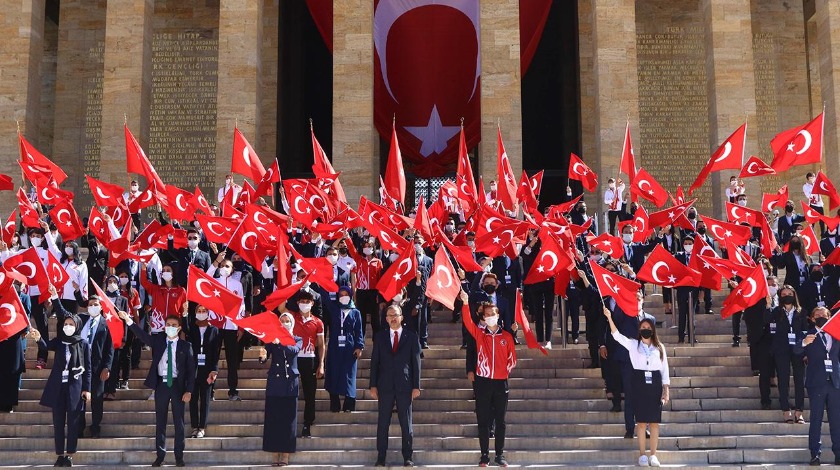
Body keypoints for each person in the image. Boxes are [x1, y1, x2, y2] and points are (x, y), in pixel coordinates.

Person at [118, 310, 195, 467]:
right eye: (168, 325)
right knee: (160, 422)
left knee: (179, 422)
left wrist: (189, 390)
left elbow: (191, 370)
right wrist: (128, 320)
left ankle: (179, 456)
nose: (170, 328)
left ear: (179, 328)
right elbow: (142, 336)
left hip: (177, 386)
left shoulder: (186, 346)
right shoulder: (159, 341)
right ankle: (160, 455)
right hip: (161, 385)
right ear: (164, 327)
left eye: (174, 326)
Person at [31, 291, 92, 468]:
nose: (67, 326)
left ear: (77, 326)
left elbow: (87, 369)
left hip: (74, 387)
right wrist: (37, 338)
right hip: (58, 386)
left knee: (73, 424)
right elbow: (46, 346)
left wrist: (86, 389)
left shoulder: (83, 344)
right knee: (58, 423)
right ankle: (59, 455)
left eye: (71, 324)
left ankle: (70, 455)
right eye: (66, 324)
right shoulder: (59, 341)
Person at [603, 305, 670, 467]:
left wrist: (666, 390)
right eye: (643, 327)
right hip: (639, 382)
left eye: (648, 327)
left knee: (654, 422)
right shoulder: (633, 345)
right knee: (640, 422)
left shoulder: (659, 347)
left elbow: (664, 369)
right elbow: (617, 336)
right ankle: (642, 455)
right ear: (639, 330)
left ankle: (653, 454)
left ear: (653, 330)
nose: (646, 330)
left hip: (654, 384)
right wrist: (609, 318)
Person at [459, 291, 517, 467]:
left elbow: (512, 359)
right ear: (483, 317)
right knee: (483, 420)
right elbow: (468, 321)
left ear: (498, 315)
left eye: (494, 314)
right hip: (483, 382)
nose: (491, 317)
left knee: (500, 421)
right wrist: (465, 302)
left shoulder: (506, 336)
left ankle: (499, 455)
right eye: (488, 315)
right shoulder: (479, 334)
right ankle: (484, 455)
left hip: (500, 382)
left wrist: (501, 372)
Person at [370, 305, 421, 467]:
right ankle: (381, 457)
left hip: (404, 386)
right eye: (389, 315)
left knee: (406, 423)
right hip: (384, 386)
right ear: (385, 319)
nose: (393, 318)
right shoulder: (380, 337)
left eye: (395, 315)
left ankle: (407, 456)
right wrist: (372, 385)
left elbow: (416, 363)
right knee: (383, 423)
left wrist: (416, 386)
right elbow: (374, 363)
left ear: (401, 317)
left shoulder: (411, 337)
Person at [258, 312, 302, 467]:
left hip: (290, 384)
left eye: (287, 320)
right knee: (274, 419)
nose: (285, 323)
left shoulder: (297, 339)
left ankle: (286, 454)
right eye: (282, 321)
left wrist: (281, 342)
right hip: (275, 384)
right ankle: (275, 452)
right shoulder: (271, 339)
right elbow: (265, 356)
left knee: (288, 421)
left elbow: (293, 351)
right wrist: (262, 356)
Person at [798, 306, 840, 466]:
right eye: (818, 314)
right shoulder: (807, 334)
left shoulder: (836, 334)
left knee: (837, 420)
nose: (821, 316)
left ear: (830, 317)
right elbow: (795, 351)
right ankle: (815, 454)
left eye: (824, 314)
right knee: (816, 420)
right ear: (812, 318)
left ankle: (838, 453)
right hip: (817, 383)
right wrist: (803, 343)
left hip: (835, 382)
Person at [77, 295, 114, 438]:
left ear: (101, 306)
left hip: (98, 367)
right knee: (80, 399)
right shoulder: (81, 320)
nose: (93, 306)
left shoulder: (106, 324)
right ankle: (79, 427)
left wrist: (107, 367)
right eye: (90, 304)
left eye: (96, 304)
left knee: (97, 399)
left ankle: (95, 427)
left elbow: (110, 349)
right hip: (80, 366)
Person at [289, 289, 325, 437]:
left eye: (307, 302)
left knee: (310, 394)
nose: (305, 304)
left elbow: (322, 345)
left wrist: (321, 364)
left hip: (310, 359)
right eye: (302, 302)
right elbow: (280, 308)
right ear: (298, 303)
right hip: (294, 359)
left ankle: (307, 424)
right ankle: (288, 422)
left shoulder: (318, 322)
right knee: (290, 392)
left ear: (312, 303)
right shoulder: (292, 317)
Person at [324, 286, 364, 412]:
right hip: (335, 345)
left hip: (350, 346)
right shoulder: (333, 309)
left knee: (349, 375)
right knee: (334, 372)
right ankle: (334, 404)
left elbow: (359, 331)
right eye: (341, 294)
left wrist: (359, 346)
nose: (343, 296)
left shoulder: (355, 312)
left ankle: (349, 404)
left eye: (346, 294)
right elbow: (325, 300)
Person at [770, 286, 807, 424]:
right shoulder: (776, 311)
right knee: (783, 380)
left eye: (789, 294)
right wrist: (768, 305)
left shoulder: (802, 311)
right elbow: (766, 321)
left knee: (799, 380)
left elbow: (805, 331)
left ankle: (799, 411)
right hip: (781, 349)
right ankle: (786, 410)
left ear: (794, 295)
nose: (787, 296)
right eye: (784, 294)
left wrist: (805, 350)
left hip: (798, 349)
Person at [188, 304, 220, 438]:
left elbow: (216, 352)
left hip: (207, 369)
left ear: (208, 313)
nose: (201, 313)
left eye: (204, 311)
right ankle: (194, 426)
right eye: (199, 311)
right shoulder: (192, 329)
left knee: (205, 400)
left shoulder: (214, 330)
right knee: (193, 399)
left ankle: (202, 427)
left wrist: (214, 370)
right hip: (193, 369)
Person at [0, 281, 31, 413]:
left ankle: (9, 403)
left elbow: (26, 318)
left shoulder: (23, 298)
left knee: (13, 372)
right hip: (2, 338)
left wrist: (26, 328)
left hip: (15, 339)